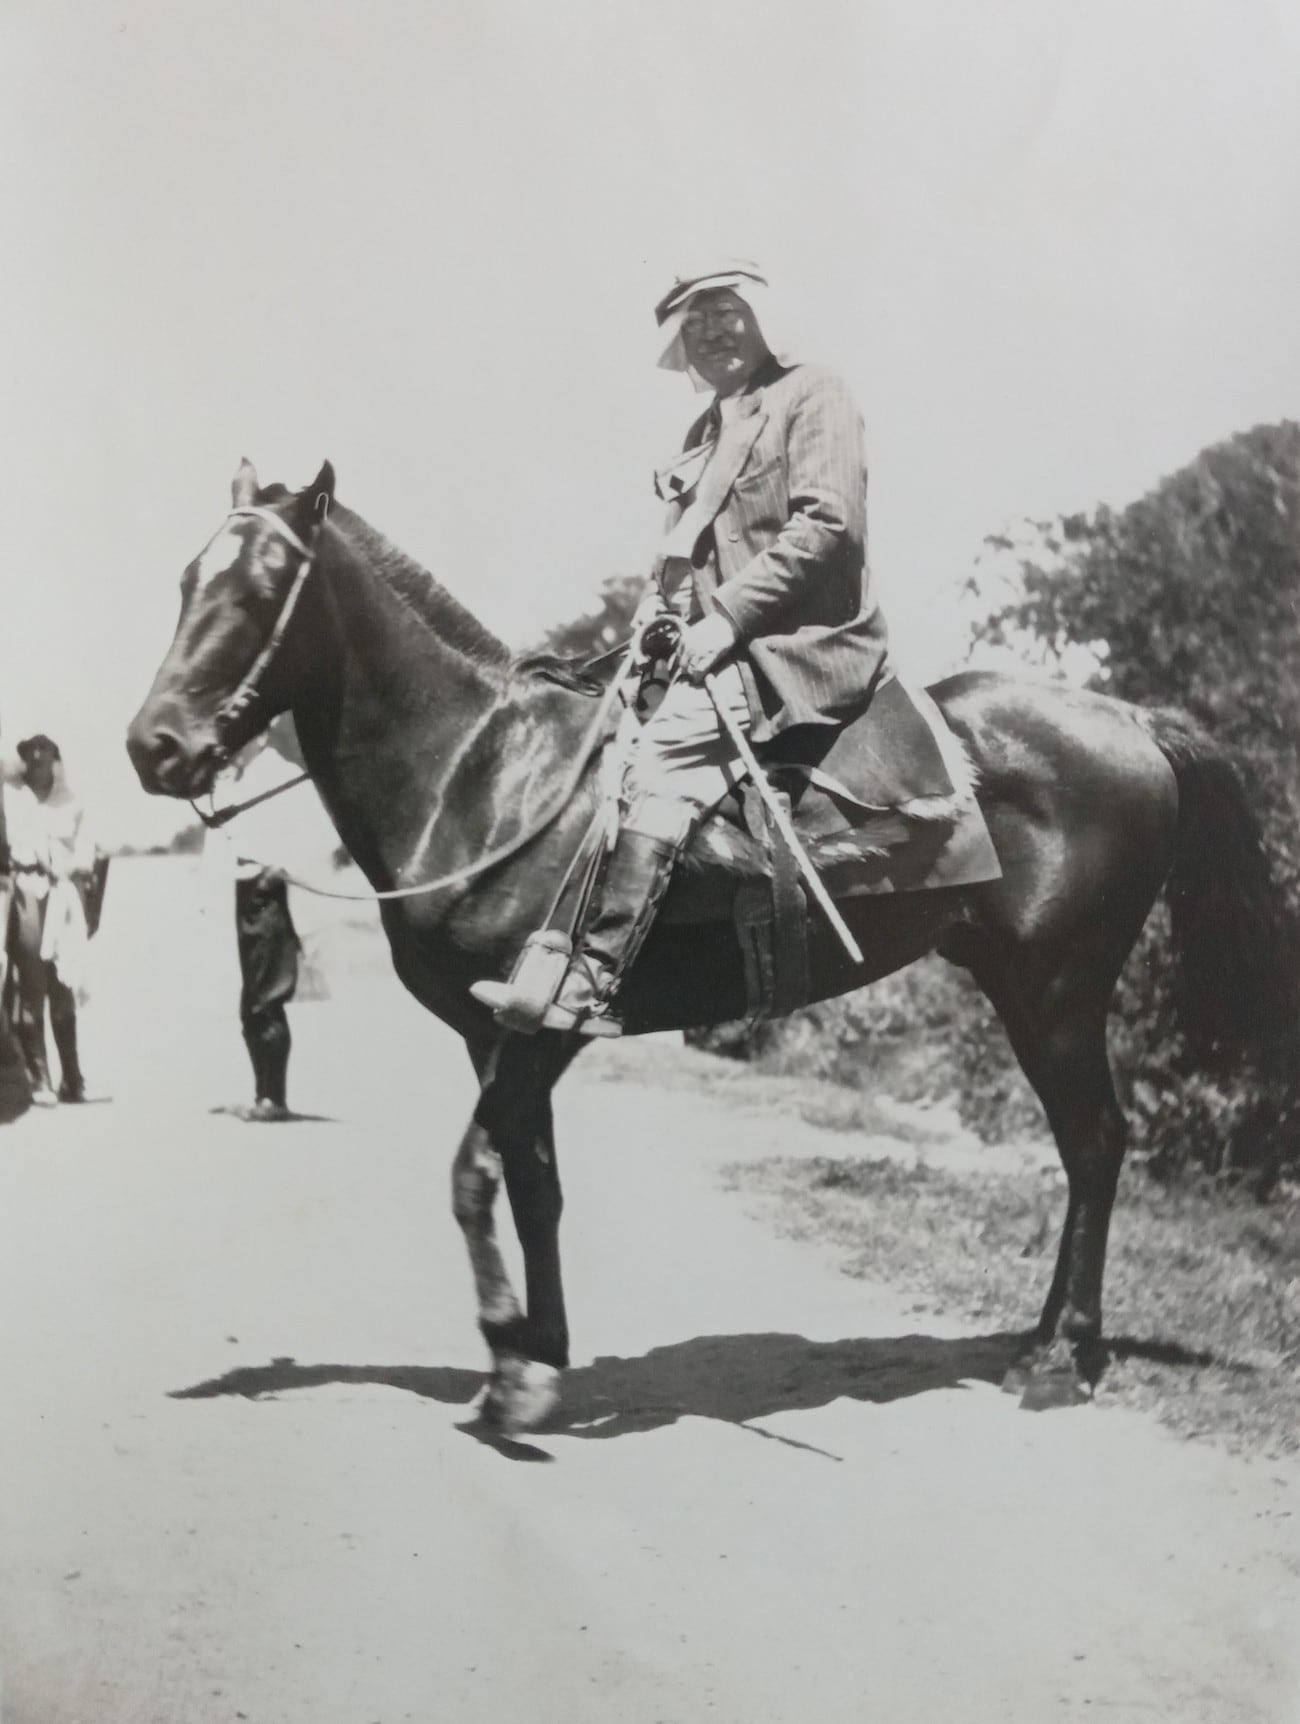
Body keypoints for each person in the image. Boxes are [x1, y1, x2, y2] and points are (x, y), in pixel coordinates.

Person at [474, 260, 893, 1036]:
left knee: (660, 759)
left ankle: (594, 980)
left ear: (765, 315)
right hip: (710, 644)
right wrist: (650, 631)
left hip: (796, 646)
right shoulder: (704, 430)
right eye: (693, 319)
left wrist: (725, 619)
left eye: (725, 310)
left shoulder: (816, 392)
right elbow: (682, 558)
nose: (710, 330)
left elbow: (830, 527)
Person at [207, 719, 308, 1122]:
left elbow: (313, 832)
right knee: (251, 1001)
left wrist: (279, 867)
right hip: (245, 891)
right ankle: (262, 1093)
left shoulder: (283, 774)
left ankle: (275, 1098)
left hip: (272, 892)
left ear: (261, 734)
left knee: (268, 997)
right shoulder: (237, 778)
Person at [3, 734, 98, 1103]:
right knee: (31, 984)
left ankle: (72, 1078)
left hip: (62, 894)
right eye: (30, 749)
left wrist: (67, 866)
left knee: (63, 984)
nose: (37, 754)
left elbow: (87, 852)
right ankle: (38, 1078)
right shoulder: (10, 797)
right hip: (24, 891)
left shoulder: (73, 802)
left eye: (45, 747)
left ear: (56, 755)